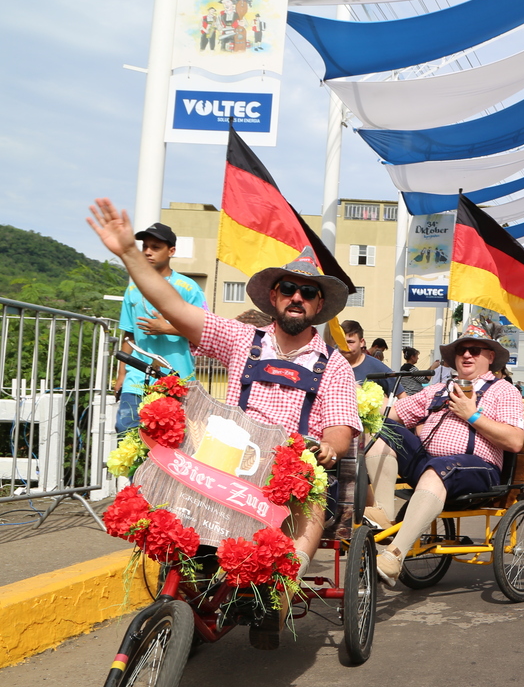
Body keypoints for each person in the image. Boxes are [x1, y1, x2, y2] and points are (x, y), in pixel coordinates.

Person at [88, 199, 361, 650]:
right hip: (227, 461)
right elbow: (173, 305)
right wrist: (128, 253)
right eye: (289, 288)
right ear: (274, 297)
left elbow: (338, 429)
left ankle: (278, 591)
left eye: (308, 292)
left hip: (289, 473)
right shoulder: (241, 338)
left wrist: (329, 448)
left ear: (319, 305)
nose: (297, 297)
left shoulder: (334, 366)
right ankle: (187, 590)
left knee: (312, 497)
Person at [363, 320, 524, 582]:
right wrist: (357, 395)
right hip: (429, 464)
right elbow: (395, 412)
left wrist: (472, 416)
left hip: (478, 470)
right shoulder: (438, 389)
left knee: (438, 469)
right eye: (461, 350)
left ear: (490, 357)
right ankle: (384, 514)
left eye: (475, 350)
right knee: (380, 426)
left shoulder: (503, 391)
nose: (467, 354)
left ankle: (394, 555)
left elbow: (515, 441)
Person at [114, 222, 207, 434]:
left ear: (171, 251)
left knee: (171, 440)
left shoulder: (189, 288)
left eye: (155, 247)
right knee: (125, 430)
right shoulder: (132, 289)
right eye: (145, 246)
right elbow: (129, 336)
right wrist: (121, 376)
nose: (147, 252)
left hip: (175, 379)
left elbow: (205, 331)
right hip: (136, 378)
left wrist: (168, 328)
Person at [340, 319, 392, 384]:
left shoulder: (376, 366)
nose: (345, 346)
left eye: (350, 342)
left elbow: (400, 393)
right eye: (341, 342)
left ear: (361, 342)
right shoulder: (329, 366)